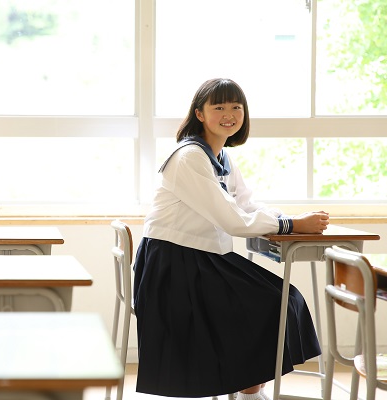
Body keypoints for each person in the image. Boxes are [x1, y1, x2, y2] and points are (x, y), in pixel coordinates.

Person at [133, 78, 329, 400]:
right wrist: (292, 224)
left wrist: (290, 221)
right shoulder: (190, 157)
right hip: (173, 266)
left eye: (236, 107)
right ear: (199, 113)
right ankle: (251, 391)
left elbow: (245, 205)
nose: (229, 114)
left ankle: (248, 387)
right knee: (271, 305)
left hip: (203, 257)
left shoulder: (222, 156)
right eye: (219, 107)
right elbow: (233, 220)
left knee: (283, 299)